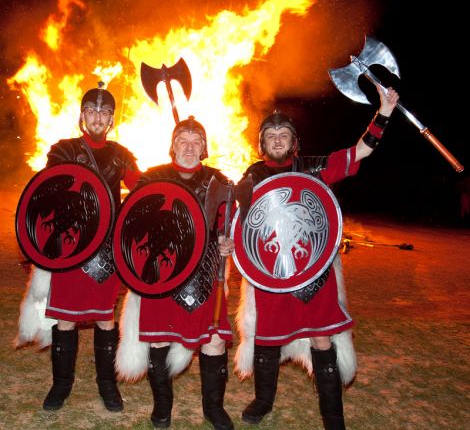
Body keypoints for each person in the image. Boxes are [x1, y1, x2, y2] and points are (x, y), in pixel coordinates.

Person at [234, 85, 399, 430]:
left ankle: (333, 415)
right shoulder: (252, 176)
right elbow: (239, 223)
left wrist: (383, 112)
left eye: (284, 134)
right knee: (266, 338)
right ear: (262, 143)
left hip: (313, 274)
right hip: (272, 273)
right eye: (270, 135)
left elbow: (359, 153)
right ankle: (262, 401)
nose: (277, 139)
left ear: (294, 143)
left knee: (321, 338)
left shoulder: (313, 168)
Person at [16, 83, 141, 412]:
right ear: (82, 116)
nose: (97, 117)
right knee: (66, 320)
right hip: (70, 247)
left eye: (104, 112)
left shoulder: (120, 154)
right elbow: (47, 193)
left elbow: (141, 188)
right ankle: (61, 385)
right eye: (92, 111)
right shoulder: (63, 150)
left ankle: (107, 385)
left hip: (105, 250)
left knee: (104, 319)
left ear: (112, 119)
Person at [116, 116, 235, 430]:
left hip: (206, 271)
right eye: (183, 139)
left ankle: (214, 409)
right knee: (159, 341)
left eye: (196, 141)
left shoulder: (217, 181)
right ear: (173, 146)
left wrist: (226, 242)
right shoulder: (152, 179)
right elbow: (133, 222)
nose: (190, 146)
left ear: (204, 148)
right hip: (161, 272)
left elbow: (226, 223)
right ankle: (162, 407)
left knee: (214, 341)